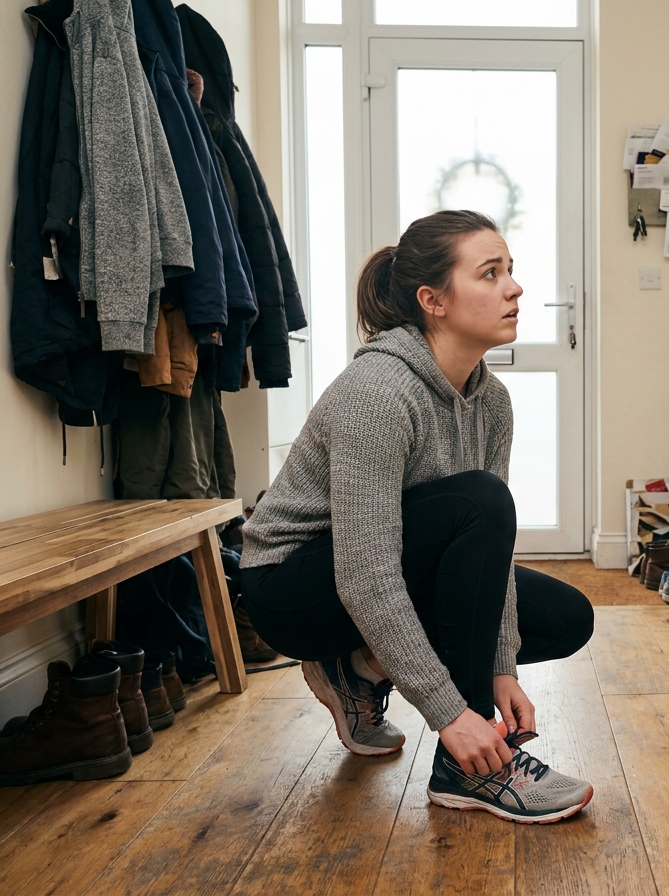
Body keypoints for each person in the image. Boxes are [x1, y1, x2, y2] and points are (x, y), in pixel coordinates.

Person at [240, 210, 596, 824]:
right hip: (292, 587)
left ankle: (358, 667)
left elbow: (488, 558)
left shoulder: (492, 402)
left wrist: (501, 667)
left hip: (382, 568)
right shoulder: (379, 391)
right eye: (490, 273)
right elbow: (364, 573)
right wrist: (451, 712)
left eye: (511, 271)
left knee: (566, 617)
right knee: (480, 501)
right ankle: (467, 766)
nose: (514, 288)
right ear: (432, 300)